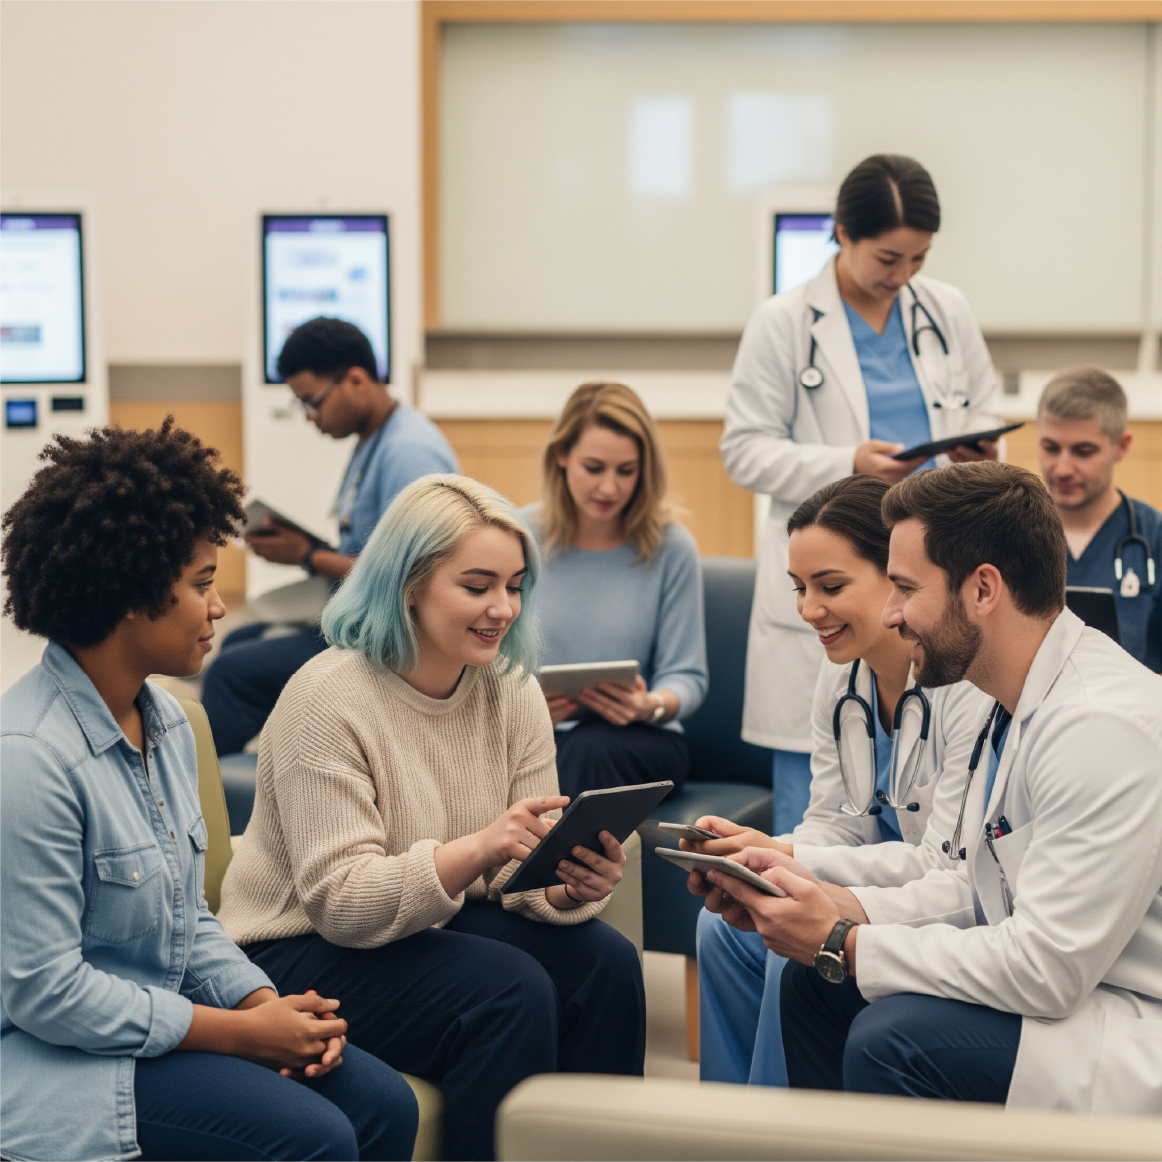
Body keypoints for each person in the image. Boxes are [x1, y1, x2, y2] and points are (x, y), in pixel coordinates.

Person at [0, 420, 417, 1162]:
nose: (220, 607)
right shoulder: (29, 760)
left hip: (168, 1030)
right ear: (129, 594)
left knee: (383, 1105)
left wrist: (263, 1006)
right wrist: (238, 1034)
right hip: (68, 1065)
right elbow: (46, 994)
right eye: (200, 585)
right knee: (316, 1137)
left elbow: (186, 920)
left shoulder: (168, 725)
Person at [696, 461, 1162, 1114]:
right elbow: (968, 884)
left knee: (894, 1040)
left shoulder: (1100, 726)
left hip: (1127, 1014)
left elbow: (1046, 970)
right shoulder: (1008, 700)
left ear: (983, 589)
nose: (892, 614)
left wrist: (842, 941)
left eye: (906, 589)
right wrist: (833, 905)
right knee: (817, 988)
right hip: (1070, 982)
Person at [218, 473, 645, 1162]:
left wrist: (570, 883)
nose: (502, 608)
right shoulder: (327, 699)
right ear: (408, 584)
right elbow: (342, 904)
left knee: (607, 964)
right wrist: (479, 849)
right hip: (295, 943)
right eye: (476, 586)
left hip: (429, 917)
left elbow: (519, 879)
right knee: (508, 991)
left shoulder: (511, 690)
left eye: (514, 586)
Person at [721, 154, 1003, 835]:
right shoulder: (784, 324)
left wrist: (977, 451)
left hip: (928, 575)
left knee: (937, 805)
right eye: (887, 257)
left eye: (917, 259)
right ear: (842, 232)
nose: (901, 276)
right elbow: (742, 450)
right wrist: (848, 462)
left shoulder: (947, 311)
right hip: (842, 572)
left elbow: (982, 409)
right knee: (820, 818)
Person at [691, 475, 990, 1087]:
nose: (808, 610)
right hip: (880, 882)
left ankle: (782, 1131)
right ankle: (725, 1125)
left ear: (897, 577)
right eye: (799, 588)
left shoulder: (964, 689)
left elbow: (943, 865)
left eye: (830, 586)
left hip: (947, 907)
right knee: (720, 926)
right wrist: (767, 856)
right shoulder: (842, 679)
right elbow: (835, 820)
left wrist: (790, 858)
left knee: (785, 938)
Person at [202, 316, 459, 754]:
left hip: (391, 642)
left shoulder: (408, 452)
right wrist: (308, 548)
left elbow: (418, 578)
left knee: (231, 673)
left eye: (312, 402)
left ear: (356, 380)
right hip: (364, 619)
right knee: (241, 639)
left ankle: (206, 803)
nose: (309, 417)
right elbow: (370, 548)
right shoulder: (375, 439)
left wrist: (309, 557)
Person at [524, 382, 707, 800]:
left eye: (626, 471)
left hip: (641, 739)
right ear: (561, 456)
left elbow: (688, 676)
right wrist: (528, 711)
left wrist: (652, 705)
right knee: (556, 752)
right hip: (539, 736)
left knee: (588, 748)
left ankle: (546, 865)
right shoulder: (519, 536)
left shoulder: (671, 547)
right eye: (594, 468)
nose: (610, 488)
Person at [1037, 365, 1162, 670]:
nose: (1063, 469)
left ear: (1122, 446)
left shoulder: (1154, 537)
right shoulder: (1010, 536)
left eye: (1083, 451)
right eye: (1051, 448)